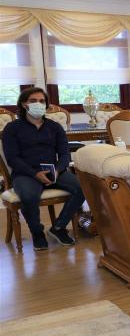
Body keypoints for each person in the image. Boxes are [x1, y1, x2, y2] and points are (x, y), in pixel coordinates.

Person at [1, 87, 84, 250]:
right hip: (26, 173)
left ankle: (58, 227)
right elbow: (12, 159)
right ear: (24, 104)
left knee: (82, 188)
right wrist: (35, 173)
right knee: (29, 196)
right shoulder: (12, 128)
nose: (38, 104)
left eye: (41, 101)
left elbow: (64, 154)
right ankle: (37, 233)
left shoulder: (55, 127)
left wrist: (57, 171)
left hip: (55, 171)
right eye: (33, 101)